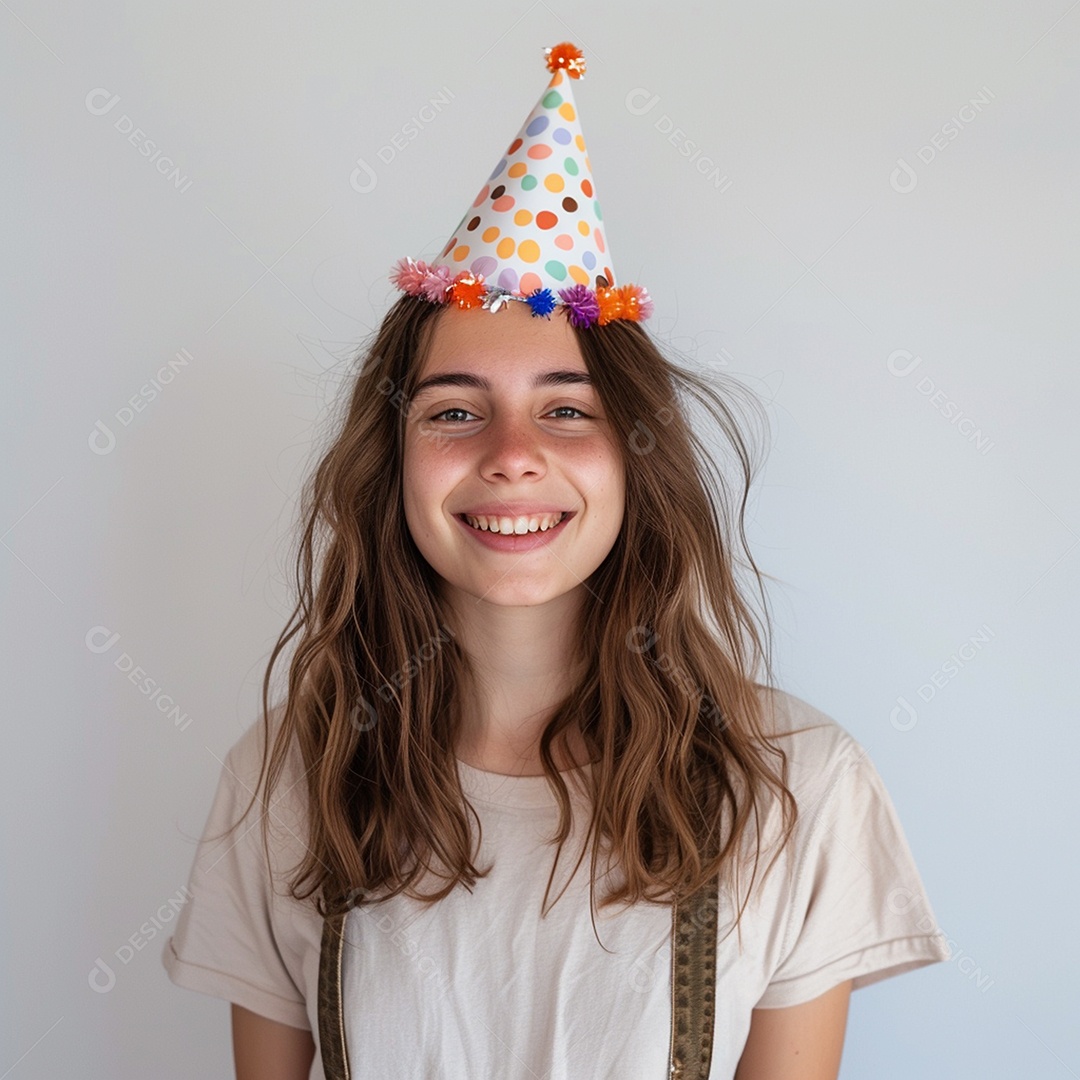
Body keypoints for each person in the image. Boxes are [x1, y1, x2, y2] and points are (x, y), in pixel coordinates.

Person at [162, 42, 949, 1080]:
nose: (513, 455)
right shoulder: (286, 779)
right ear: (392, 460)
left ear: (635, 456)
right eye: (455, 412)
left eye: (567, 411)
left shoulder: (797, 782)